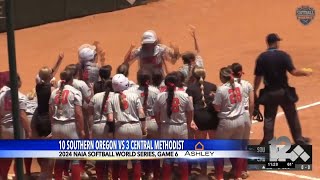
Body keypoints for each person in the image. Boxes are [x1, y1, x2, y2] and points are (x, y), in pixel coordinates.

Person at [254, 33, 312, 145]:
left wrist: (254, 90)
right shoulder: (283, 55)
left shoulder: (261, 57)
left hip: (269, 93)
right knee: (292, 116)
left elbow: (258, 77)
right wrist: (304, 73)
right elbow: (294, 72)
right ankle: (299, 139)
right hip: (283, 92)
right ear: (275, 42)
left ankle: (267, 142)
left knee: (269, 118)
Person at [153, 73, 194, 180]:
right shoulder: (184, 95)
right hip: (181, 127)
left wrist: (159, 124)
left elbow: (156, 113)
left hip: (166, 127)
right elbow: (190, 112)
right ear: (176, 83)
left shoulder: (160, 96)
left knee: (167, 157)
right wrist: (189, 123)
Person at [106, 74, 147, 180]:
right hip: (135, 127)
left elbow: (110, 119)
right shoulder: (134, 95)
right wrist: (143, 128)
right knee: (136, 159)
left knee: (123, 160)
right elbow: (142, 114)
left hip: (120, 128)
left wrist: (111, 132)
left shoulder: (111, 98)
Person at [49, 70, 85, 180]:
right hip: (71, 127)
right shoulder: (75, 92)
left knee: (59, 158)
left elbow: (50, 111)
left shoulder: (54, 92)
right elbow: (78, 113)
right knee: (75, 158)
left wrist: (53, 126)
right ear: (72, 79)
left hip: (56, 127)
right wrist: (82, 129)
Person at [212, 67, 246, 180]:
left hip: (226, 123)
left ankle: (220, 177)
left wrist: (214, 98)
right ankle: (238, 176)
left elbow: (217, 108)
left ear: (222, 77)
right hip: (240, 120)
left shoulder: (221, 89)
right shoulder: (240, 85)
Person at [128, 69, 161, 180]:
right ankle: (154, 174)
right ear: (149, 80)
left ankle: (144, 172)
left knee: (141, 151)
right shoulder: (156, 91)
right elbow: (159, 109)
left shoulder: (132, 90)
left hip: (139, 123)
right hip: (153, 122)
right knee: (155, 151)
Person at [186, 67, 219, 177]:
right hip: (212, 118)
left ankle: (203, 173)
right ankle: (219, 173)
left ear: (194, 77)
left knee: (201, 146)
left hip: (199, 118)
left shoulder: (190, 88)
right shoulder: (213, 86)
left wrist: (191, 120)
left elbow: (190, 106)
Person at [0, 74, 32, 180]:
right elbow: (22, 116)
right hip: (16, 130)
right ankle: (18, 177)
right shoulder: (21, 96)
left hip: (4, 128)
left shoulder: (1, 95)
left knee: (5, 157)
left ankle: (3, 177)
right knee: (18, 157)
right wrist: (28, 131)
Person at [231, 63, 254, 179]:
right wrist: (249, 117)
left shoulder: (226, 85)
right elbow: (252, 103)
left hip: (231, 117)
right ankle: (243, 170)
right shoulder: (247, 85)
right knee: (243, 145)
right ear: (240, 73)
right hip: (244, 115)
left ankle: (235, 168)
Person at [88, 79, 114, 180]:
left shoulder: (96, 96)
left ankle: (100, 177)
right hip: (110, 127)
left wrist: (91, 128)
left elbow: (90, 113)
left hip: (97, 126)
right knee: (111, 156)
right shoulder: (116, 96)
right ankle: (109, 176)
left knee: (99, 157)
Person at [33, 66, 56, 179]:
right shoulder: (52, 90)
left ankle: (43, 172)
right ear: (50, 77)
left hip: (39, 119)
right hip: (48, 120)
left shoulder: (38, 87)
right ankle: (48, 174)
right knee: (50, 149)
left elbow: (41, 77)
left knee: (42, 147)